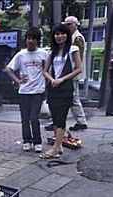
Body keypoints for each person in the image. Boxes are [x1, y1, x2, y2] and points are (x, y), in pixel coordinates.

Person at [41, 23, 82, 159]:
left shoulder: (73, 49)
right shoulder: (51, 53)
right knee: (55, 118)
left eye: (63, 33)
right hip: (53, 88)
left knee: (61, 119)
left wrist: (62, 79)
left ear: (67, 35)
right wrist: (51, 79)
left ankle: (55, 148)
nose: (60, 36)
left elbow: (78, 69)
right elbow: (45, 71)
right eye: (57, 34)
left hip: (65, 88)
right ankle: (58, 146)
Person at [4, 27, 49, 153]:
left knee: (34, 118)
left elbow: (48, 70)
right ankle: (26, 141)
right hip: (24, 91)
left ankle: (37, 142)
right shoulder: (21, 54)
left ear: (38, 41)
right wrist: (18, 81)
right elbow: (8, 69)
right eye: (29, 38)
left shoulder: (44, 54)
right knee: (25, 119)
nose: (31, 41)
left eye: (34, 39)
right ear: (26, 40)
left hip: (38, 91)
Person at [45, 16, 88, 132]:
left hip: (70, 76)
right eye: (66, 24)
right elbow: (45, 69)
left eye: (69, 24)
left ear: (76, 25)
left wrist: (64, 77)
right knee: (70, 100)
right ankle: (59, 122)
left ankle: (80, 121)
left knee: (73, 98)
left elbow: (77, 62)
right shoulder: (54, 50)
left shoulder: (77, 39)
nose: (67, 27)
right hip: (59, 80)